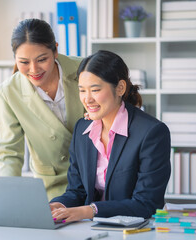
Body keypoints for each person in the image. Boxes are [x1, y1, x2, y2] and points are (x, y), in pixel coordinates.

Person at [50, 50, 171, 222]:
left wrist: (89, 211)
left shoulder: (152, 133)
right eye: (82, 91)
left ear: (120, 88)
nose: (87, 99)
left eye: (95, 90)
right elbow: (77, 191)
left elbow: (147, 203)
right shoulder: (82, 130)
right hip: (90, 229)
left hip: (136, 230)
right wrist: (58, 205)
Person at [0, 19, 84, 200]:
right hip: (53, 187)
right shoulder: (9, 92)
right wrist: (6, 197)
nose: (34, 70)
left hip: (97, 181)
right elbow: (9, 152)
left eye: (42, 59)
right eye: (24, 62)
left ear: (56, 50)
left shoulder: (85, 69)